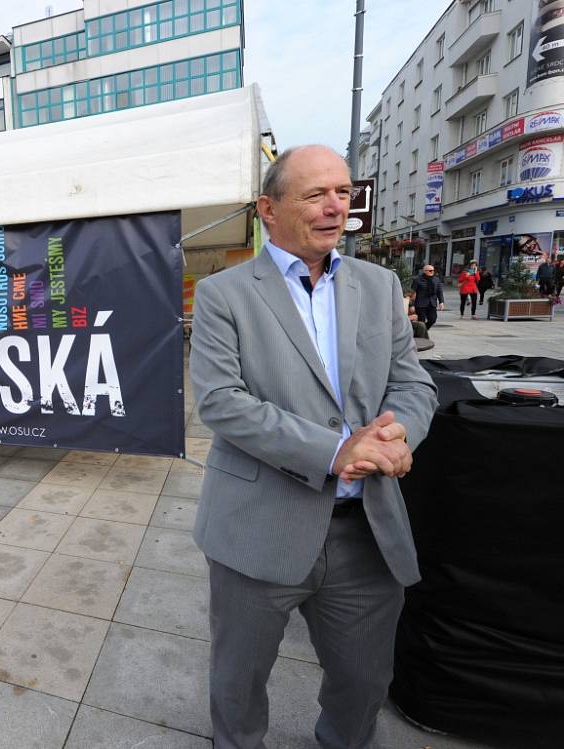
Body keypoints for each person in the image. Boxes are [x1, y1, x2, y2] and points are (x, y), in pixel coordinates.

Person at [189, 145, 438, 749]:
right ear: (267, 209)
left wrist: (396, 433)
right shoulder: (224, 294)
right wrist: (336, 450)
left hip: (364, 530)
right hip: (257, 527)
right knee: (238, 685)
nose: (336, 207)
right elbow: (221, 402)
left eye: (344, 193)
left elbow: (412, 381)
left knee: (363, 682)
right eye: (316, 194)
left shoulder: (379, 286)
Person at [411, 264, 445, 328]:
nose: (432, 272)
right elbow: (412, 293)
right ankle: (421, 334)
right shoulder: (417, 280)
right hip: (420, 304)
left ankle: (423, 330)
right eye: (430, 270)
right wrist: (412, 305)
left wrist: (441, 302)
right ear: (424, 271)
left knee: (433, 320)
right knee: (421, 321)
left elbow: (439, 292)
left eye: (433, 270)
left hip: (432, 304)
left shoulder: (436, 280)